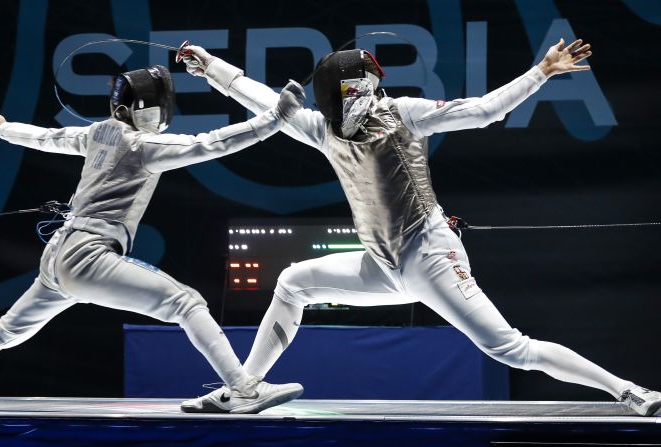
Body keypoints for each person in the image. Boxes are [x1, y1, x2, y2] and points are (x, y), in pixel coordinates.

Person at [178, 39, 661, 416]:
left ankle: (629, 391)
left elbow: (485, 111)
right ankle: (246, 388)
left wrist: (542, 71)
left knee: (510, 349)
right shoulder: (322, 129)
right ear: (351, 88)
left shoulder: (402, 115)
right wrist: (211, 69)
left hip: (431, 257)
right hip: (384, 266)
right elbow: (266, 101)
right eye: (369, 81)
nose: (378, 90)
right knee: (292, 282)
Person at [0, 65, 306, 415]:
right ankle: (244, 387)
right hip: (89, 255)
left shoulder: (97, 132)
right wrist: (275, 118)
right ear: (143, 108)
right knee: (186, 302)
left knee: (1, 332)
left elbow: (45, 137)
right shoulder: (142, 145)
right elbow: (208, 144)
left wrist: (4, 128)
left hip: (59, 254)